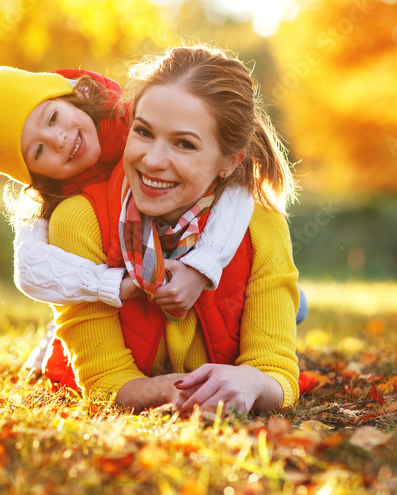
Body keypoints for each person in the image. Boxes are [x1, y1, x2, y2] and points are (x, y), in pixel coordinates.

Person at [45, 44, 303, 414]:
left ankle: (293, 303)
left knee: (282, 304)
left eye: (184, 144)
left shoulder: (261, 226)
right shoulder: (79, 220)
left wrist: (250, 381)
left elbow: (276, 373)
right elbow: (104, 381)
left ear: (229, 162)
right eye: (144, 132)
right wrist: (174, 391)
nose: (152, 161)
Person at [0, 66, 257, 318]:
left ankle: (280, 298)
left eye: (53, 117)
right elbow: (29, 268)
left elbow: (238, 187)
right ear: (35, 176)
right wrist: (107, 284)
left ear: (71, 96)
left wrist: (200, 268)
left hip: (207, 269)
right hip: (131, 308)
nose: (59, 140)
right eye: (38, 150)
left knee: (273, 293)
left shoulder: (140, 125)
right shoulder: (50, 202)